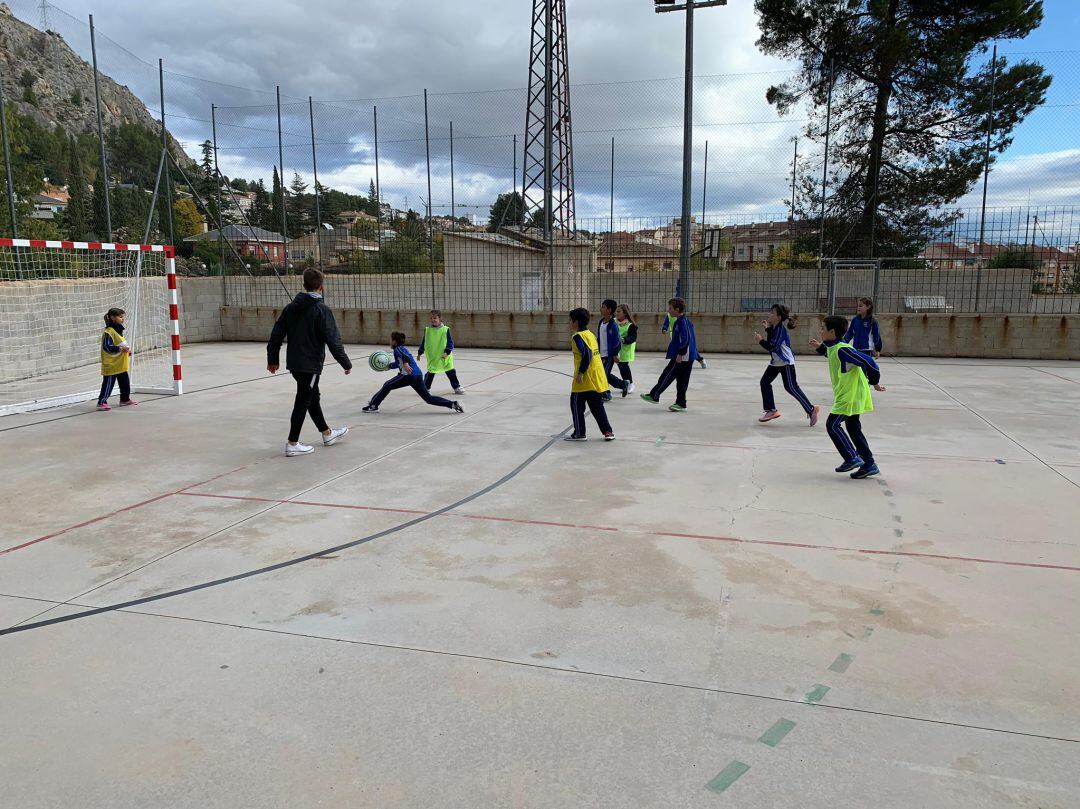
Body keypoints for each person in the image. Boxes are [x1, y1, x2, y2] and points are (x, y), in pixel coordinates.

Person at [267, 268, 352, 457]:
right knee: (304, 399)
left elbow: (276, 335)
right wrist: (345, 363)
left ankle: (327, 433)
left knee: (312, 396)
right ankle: (292, 443)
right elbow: (333, 339)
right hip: (310, 364)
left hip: (295, 364)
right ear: (321, 287)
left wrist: (273, 359)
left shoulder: (290, 308)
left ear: (304, 285)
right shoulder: (321, 310)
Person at [810, 315, 887, 480]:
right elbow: (832, 355)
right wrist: (820, 348)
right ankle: (869, 464)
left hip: (849, 396)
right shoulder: (834, 347)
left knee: (832, 425)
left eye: (823, 328)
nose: (820, 331)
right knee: (853, 429)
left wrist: (874, 381)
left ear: (832, 332)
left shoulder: (843, 349)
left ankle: (852, 457)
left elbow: (869, 362)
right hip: (848, 394)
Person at [363, 331, 465, 414]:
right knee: (428, 398)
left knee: (387, 385)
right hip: (417, 375)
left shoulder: (398, 349)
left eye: (390, 340)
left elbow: (405, 358)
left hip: (408, 375)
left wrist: (406, 364)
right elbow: (400, 363)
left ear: (395, 342)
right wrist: (389, 366)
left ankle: (373, 405)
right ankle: (453, 404)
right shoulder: (403, 348)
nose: (389, 342)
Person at [753, 303, 820, 426]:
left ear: (778, 317)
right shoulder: (774, 328)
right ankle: (771, 410)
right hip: (776, 362)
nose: (769, 314)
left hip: (785, 362)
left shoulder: (780, 330)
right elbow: (772, 338)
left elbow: (773, 346)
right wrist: (767, 328)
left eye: (772, 312)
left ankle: (811, 409)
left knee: (791, 387)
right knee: (765, 382)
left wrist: (760, 340)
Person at [566, 307, 615, 442]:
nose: (569, 323)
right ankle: (608, 431)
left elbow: (586, 354)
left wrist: (581, 372)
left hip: (585, 377)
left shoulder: (577, 336)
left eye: (570, 320)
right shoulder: (590, 334)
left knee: (576, 404)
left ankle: (580, 433)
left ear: (576, 322)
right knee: (597, 406)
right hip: (596, 376)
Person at [641, 297, 696, 412]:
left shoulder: (683, 322)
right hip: (685, 356)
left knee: (668, 375)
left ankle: (654, 395)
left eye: (670, 308)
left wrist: (681, 353)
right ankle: (681, 403)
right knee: (681, 380)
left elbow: (686, 339)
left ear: (677, 309)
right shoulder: (680, 321)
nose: (669, 310)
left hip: (683, 357)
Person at [97, 307, 136, 411]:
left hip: (119, 363)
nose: (123, 319)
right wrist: (120, 349)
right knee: (108, 384)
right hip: (111, 364)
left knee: (125, 382)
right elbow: (107, 347)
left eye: (123, 317)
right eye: (120, 317)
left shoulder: (118, 330)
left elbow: (120, 342)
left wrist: (127, 351)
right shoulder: (108, 332)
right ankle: (101, 402)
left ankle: (124, 399)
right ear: (113, 318)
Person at [419, 309, 465, 395]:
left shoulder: (445, 330)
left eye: (435, 318)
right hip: (433, 356)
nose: (433, 320)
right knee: (431, 372)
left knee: (450, 371)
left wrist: (447, 352)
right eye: (431, 318)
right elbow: (424, 341)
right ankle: (425, 387)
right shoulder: (428, 330)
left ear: (440, 319)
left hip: (445, 356)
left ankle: (456, 387)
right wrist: (420, 351)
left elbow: (450, 343)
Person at [597, 298, 627, 400]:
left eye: (603, 307)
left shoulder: (612, 324)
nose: (601, 309)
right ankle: (623, 384)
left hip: (609, 355)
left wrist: (614, 354)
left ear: (609, 310)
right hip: (600, 354)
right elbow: (600, 338)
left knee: (602, 375)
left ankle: (606, 394)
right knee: (605, 374)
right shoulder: (601, 322)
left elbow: (616, 341)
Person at [614, 303, 637, 394]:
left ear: (625, 313)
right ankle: (624, 383)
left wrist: (624, 340)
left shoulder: (630, 325)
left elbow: (633, 337)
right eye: (616, 311)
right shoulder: (614, 322)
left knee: (624, 367)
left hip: (625, 350)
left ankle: (630, 383)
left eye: (619, 311)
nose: (617, 313)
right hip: (615, 349)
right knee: (620, 367)